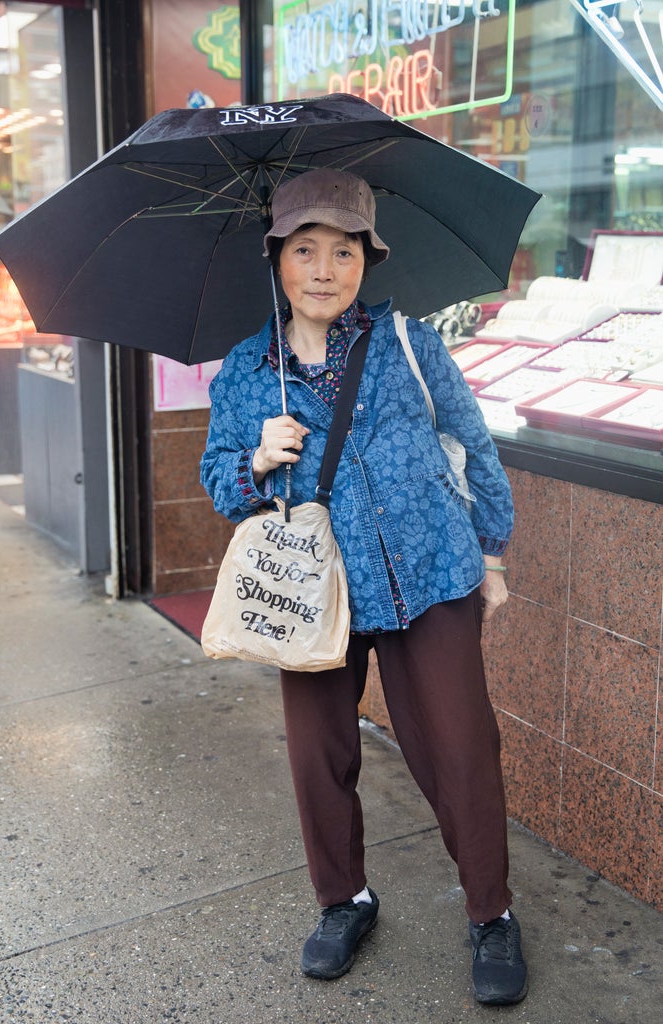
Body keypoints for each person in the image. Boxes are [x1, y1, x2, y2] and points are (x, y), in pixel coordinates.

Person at [200, 167, 528, 1006]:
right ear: (276, 259)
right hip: (315, 594)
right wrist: (254, 460)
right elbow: (218, 483)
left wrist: (489, 552)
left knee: (460, 750)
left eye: (342, 251)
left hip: (430, 576)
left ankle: (491, 913)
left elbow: (471, 444)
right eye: (304, 249)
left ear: (366, 262)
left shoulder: (414, 346)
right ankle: (343, 901)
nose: (322, 269)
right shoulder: (246, 372)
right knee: (319, 758)